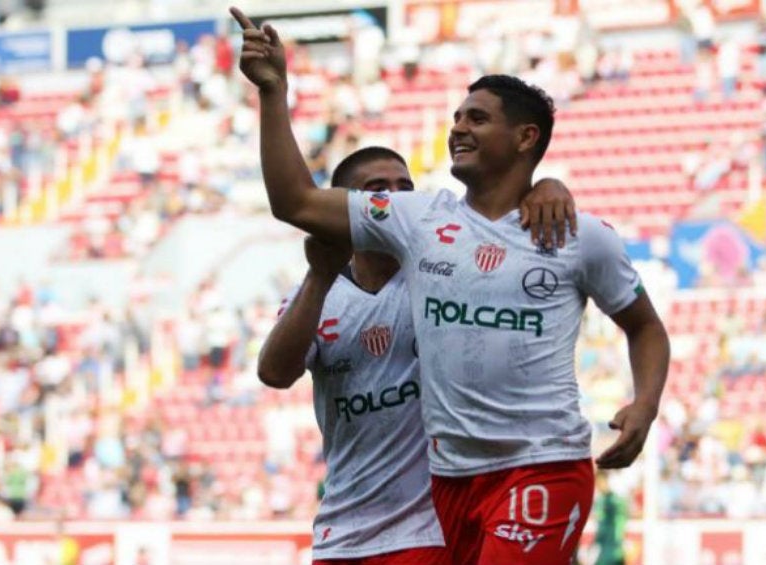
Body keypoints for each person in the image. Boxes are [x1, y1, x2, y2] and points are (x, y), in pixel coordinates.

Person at [232, 8, 669, 564]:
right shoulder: (420, 224)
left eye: (478, 119)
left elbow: (645, 326)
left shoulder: (579, 237)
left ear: (525, 137)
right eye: (457, 116)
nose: (458, 127)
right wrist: (274, 93)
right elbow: (294, 202)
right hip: (451, 480)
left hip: (542, 462)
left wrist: (646, 403)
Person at [258, 147, 575, 564]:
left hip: (430, 529)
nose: (396, 199)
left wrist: (547, 187)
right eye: (378, 190)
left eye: (404, 188)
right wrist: (319, 275)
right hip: (341, 532)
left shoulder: (445, 273)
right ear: (345, 207)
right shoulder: (319, 294)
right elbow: (275, 373)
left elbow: (502, 232)